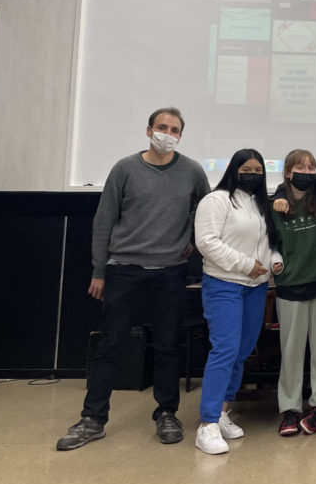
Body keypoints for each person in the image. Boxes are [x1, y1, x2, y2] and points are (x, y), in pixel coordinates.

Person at [56, 107, 209, 451]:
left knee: (168, 345)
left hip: (170, 270)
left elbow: (208, 212)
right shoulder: (124, 168)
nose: (167, 133)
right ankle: (93, 419)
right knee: (110, 343)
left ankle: (166, 413)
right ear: (149, 130)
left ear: (181, 136)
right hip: (123, 268)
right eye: (161, 127)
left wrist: (191, 240)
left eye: (174, 129)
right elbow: (103, 221)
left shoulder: (193, 171)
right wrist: (99, 270)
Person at [192, 149, 281, 455]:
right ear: (233, 169)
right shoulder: (216, 200)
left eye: (258, 170)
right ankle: (207, 423)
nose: (252, 174)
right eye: (247, 169)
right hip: (224, 284)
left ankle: (221, 411)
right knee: (225, 350)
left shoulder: (261, 204)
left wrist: (274, 262)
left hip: (256, 287)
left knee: (242, 351)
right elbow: (206, 242)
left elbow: (269, 243)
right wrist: (245, 264)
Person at [271, 149, 316, 437]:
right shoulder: (275, 204)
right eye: (301, 167)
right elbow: (269, 242)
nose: (307, 172)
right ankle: (290, 408)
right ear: (288, 172)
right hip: (289, 285)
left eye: (312, 168)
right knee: (291, 351)